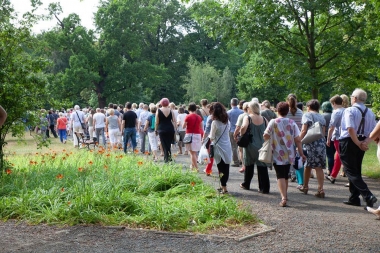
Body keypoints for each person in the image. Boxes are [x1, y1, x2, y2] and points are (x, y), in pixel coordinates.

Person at [340, 88, 377, 208]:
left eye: (351, 97)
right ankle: (354, 197)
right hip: (361, 141)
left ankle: (367, 195)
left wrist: (357, 142)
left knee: (350, 171)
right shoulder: (370, 113)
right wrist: (364, 142)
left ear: (355, 98)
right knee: (356, 169)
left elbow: (350, 129)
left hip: (349, 141)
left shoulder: (349, 110)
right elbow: (374, 131)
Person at [264, 102, 306, 206]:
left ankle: (283, 198)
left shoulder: (273, 122)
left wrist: (270, 138)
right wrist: (301, 153)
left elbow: (266, 135)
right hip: (289, 153)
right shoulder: (292, 123)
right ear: (287, 111)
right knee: (286, 175)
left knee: (280, 175)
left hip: (276, 152)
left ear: (277, 110)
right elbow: (298, 140)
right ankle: (285, 195)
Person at [240, 101, 270, 193]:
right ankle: (264, 188)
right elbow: (268, 130)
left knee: (249, 165)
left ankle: (246, 184)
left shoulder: (248, 117)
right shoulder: (264, 119)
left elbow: (243, 127)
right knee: (262, 167)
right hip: (262, 145)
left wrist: (242, 134)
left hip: (250, 145)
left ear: (250, 108)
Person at [299, 99, 327, 198]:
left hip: (310, 143)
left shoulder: (307, 115)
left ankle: (305, 186)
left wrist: (299, 140)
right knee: (318, 167)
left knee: (308, 165)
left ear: (309, 107)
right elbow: (323, 132)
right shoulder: (321, 117)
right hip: (321, 144)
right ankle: (320, 189)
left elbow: (303, 130)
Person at [209, 102, 232, 194]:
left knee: (220, 167)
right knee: (226, 167)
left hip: (218, 146)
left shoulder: (215, 123)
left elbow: (212, 137)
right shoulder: (227, 122)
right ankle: (223, 185)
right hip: (227, 146)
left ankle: (224, 188)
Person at [325, 95, 345, 183]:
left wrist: (328, 138)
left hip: (338, 136)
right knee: (338, 156)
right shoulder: (346, 110)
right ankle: (333, 175)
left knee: (342, 156)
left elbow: (331, 127)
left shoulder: (336, 112)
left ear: (333, 103)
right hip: (346, 136)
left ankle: (352, 178)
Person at [183, 102, 203, 171]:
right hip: (197, 135)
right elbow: (201, 127)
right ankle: (192, 165)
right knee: (195, 152)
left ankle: (196, 168)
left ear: (189, 108)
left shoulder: (188, 116)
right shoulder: (199, 117)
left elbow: (183, 126)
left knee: (192, 153)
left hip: (189, 135)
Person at [155, 98, 176, 163]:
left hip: (162, 129)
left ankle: (167, 159)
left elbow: (157, 122)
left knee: (164, 144)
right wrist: (175, 129)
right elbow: (174, 120)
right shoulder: (171, 110)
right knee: (168, 144)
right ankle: (168, 158)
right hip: (170, 128)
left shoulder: (158, 110)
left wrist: (156, 130)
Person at [227, 98, 243, 167]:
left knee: (234, 147)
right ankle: (241, 160)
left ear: (231, 104)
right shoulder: (242, 112)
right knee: (241, 146)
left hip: (232, 130)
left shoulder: (229, 112)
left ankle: (236, 162)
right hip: (241, 131)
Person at [233, 101, 248, 173]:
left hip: (243, 136)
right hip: (252, 136)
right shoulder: (256, 115)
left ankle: (244, 166)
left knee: (241, 150)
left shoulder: (242, 116)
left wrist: (235, 135)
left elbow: (238, 127)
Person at [321, 101, 335, 176]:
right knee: (332, 154)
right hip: (334, 136)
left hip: (325, 136)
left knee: (329, 155)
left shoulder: (322, 116)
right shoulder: (333, 115)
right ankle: (332, 169)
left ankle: (330, 170)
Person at [203, 103, 215, 176]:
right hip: (220, 138)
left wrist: (203, 138)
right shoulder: (222, 117)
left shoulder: (210, 117)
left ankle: (208, 169)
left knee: (210, 154)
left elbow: (207, 129)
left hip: (210, 138)